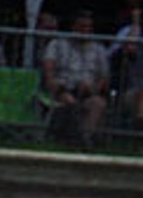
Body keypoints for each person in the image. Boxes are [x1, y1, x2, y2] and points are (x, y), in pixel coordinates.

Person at [42, 8, 110, 146]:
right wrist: (61, 89)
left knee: (98, 103)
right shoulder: (57, 45)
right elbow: (49, 73)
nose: (86, 30)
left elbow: (104, 77)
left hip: (88, 92)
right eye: (82, 27)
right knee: (70, 101)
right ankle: (69, 139)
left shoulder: (99, 49)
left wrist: (93, 89)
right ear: (73, 27)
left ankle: (85, 139)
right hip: (62, 89)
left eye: (89, 27)